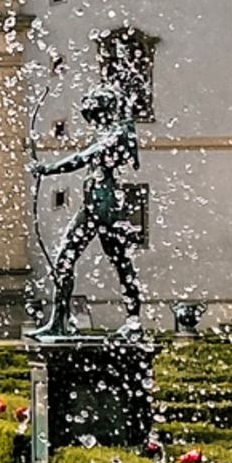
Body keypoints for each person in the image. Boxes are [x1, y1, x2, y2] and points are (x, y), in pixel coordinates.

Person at [31, 83, 144, 335]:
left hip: (107, 207)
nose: (91, 120)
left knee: (120, 262)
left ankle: (134, 321)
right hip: (93, 203)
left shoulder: (117, 133)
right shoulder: (105, 132)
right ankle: (59, 322)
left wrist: (47, 169)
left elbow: (82, 157)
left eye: (93, 114)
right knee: (65, 260)